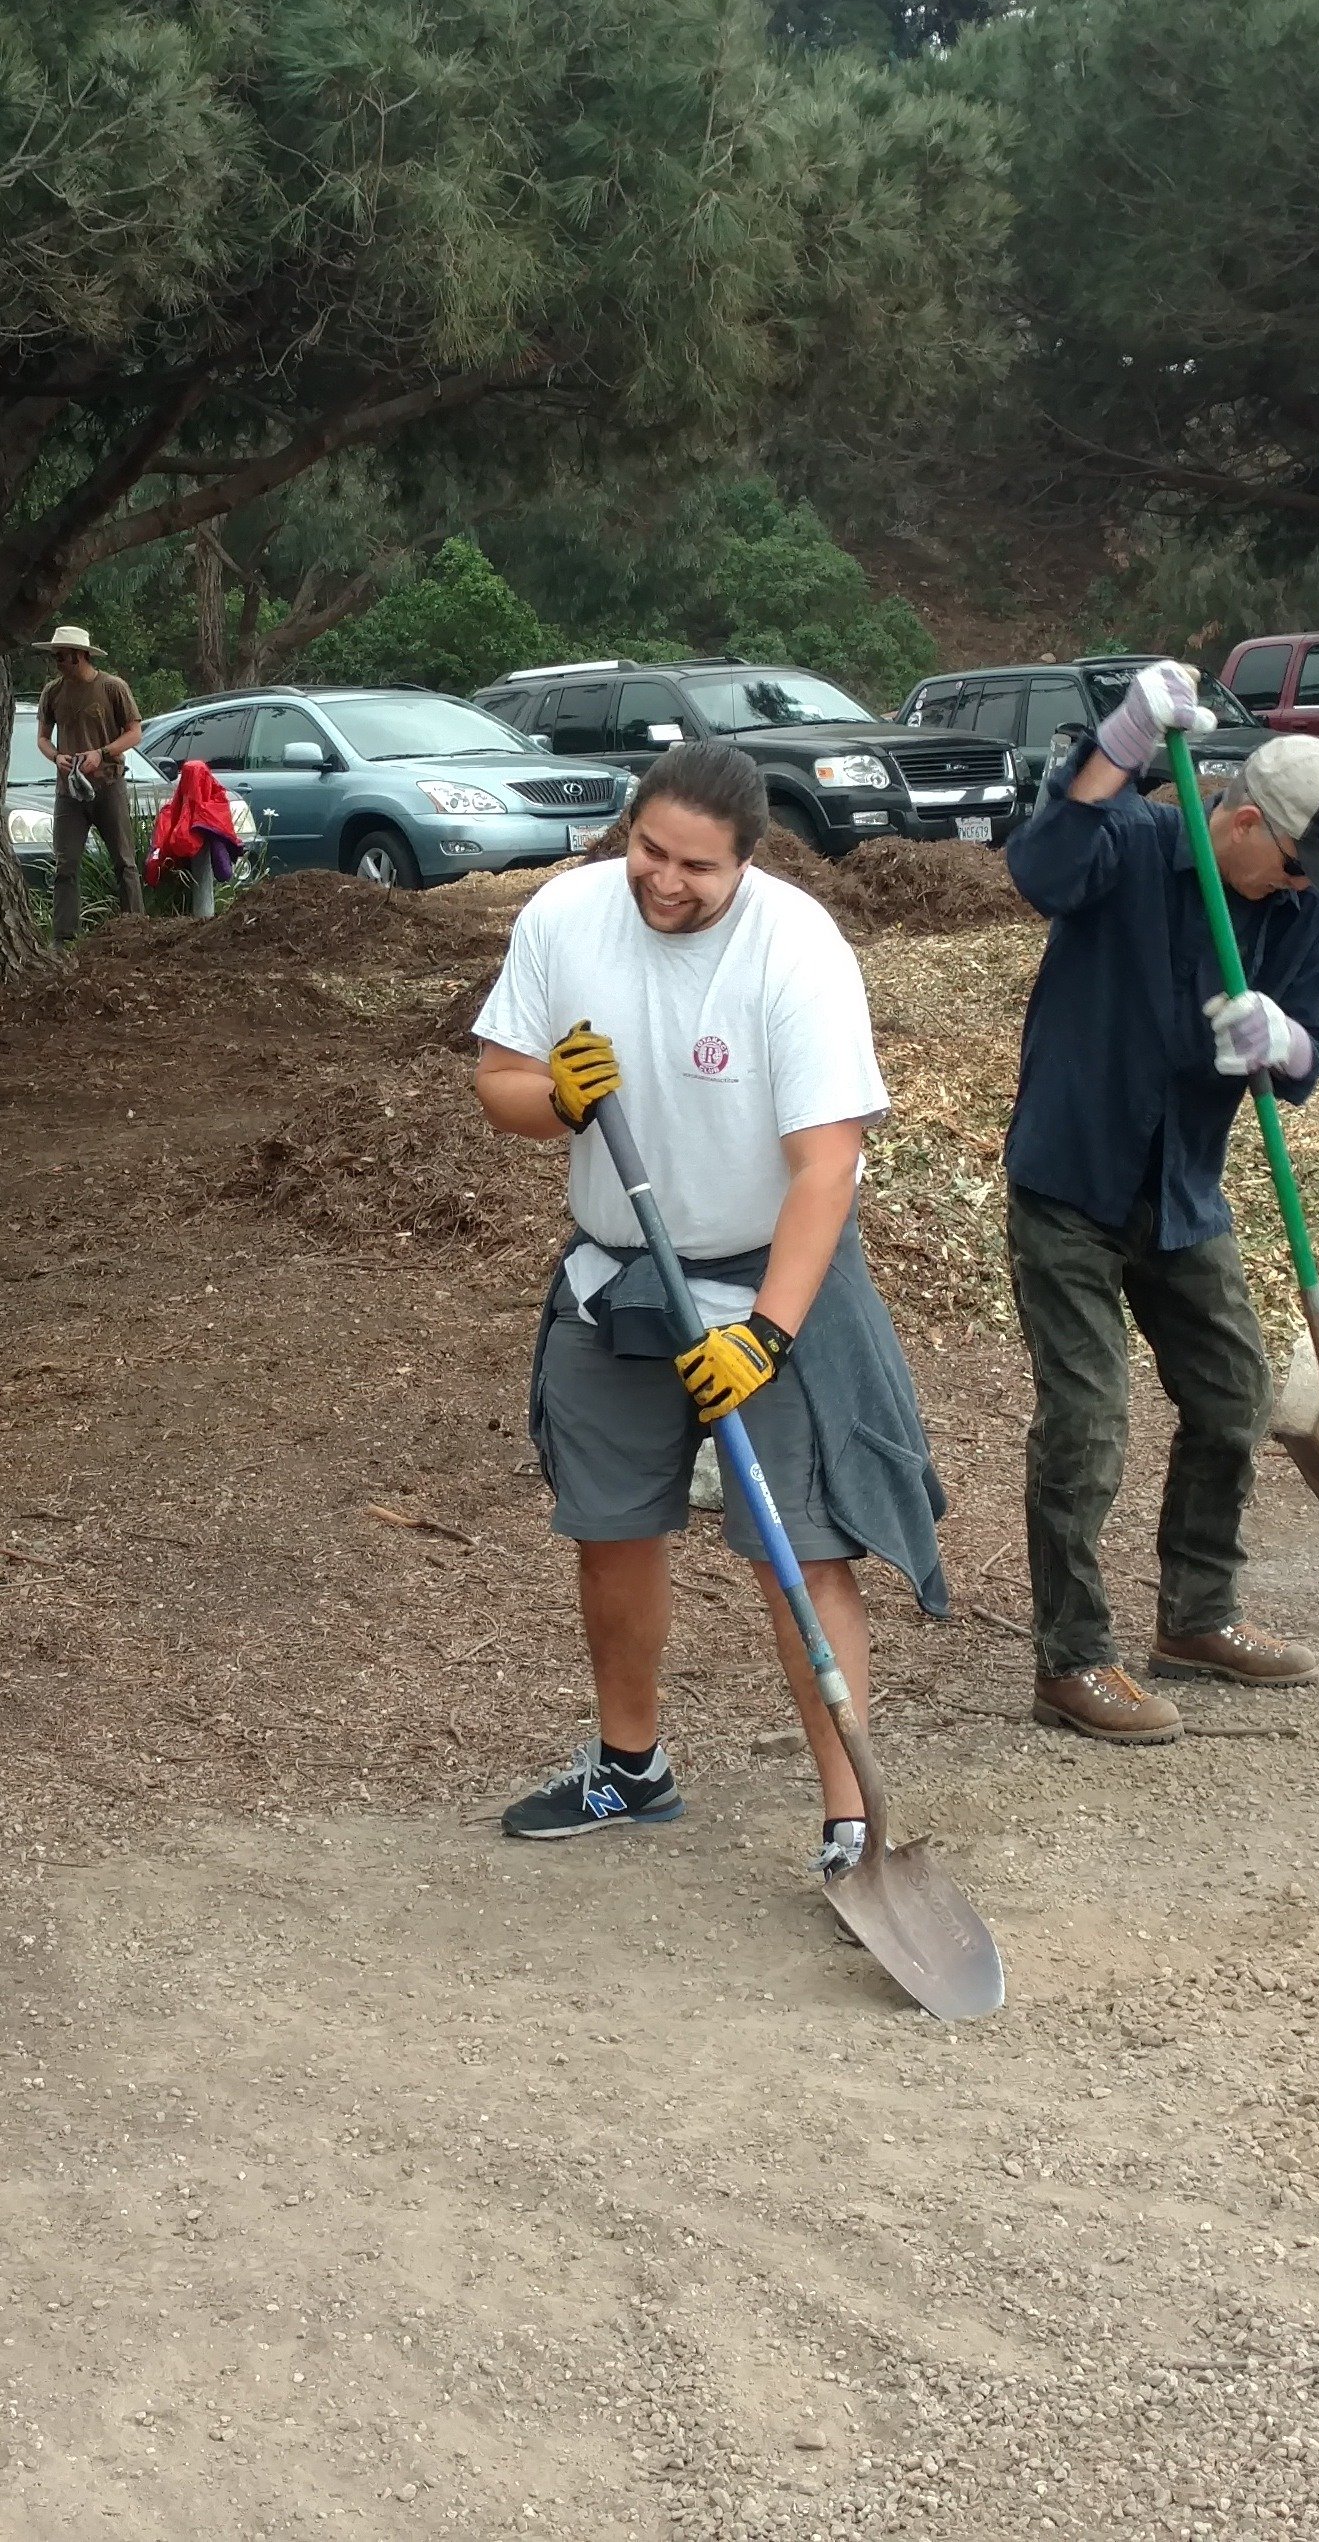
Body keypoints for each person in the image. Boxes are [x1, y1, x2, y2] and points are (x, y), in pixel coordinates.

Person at [468, 742, 949, 1874]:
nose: (664, 880)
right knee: (610, 1529)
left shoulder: (795, 949)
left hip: (770, 1267)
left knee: (804, 1548)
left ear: (747, 863)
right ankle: (630, 1769)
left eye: (696, 866)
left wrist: (767, 1334)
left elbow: (826, 1167)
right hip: (618, 1274)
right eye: (647, 849)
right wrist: (558, 1099)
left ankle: (849, 1822)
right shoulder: (563, 916)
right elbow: (498, 1084)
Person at [1003, 670, 1319, 1745]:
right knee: (1087, 1424)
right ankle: (1071, 1660)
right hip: (1071, 1179)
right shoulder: (1135, 849)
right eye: (1296, 861)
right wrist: (1117, 743)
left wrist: (1284, 1040)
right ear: (1240, 821)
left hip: (1182, 1189)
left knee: (1231, 1395)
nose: (1308, 885)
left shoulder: (1300, 912)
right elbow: (1042, 862)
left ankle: (1196, 1617)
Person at [32, 623, 144, 944]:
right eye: (55, 657)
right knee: (65, 865)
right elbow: (42, 738)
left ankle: (135, 931)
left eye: (62, 657)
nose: (57, 663)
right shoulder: (52, 692)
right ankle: (64, 938)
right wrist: (56, 757)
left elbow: (134, 732)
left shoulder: (113, 688)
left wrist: (103, 752)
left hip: (108, 785)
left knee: (124, 861)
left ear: (80, 656)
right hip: (69, 791)